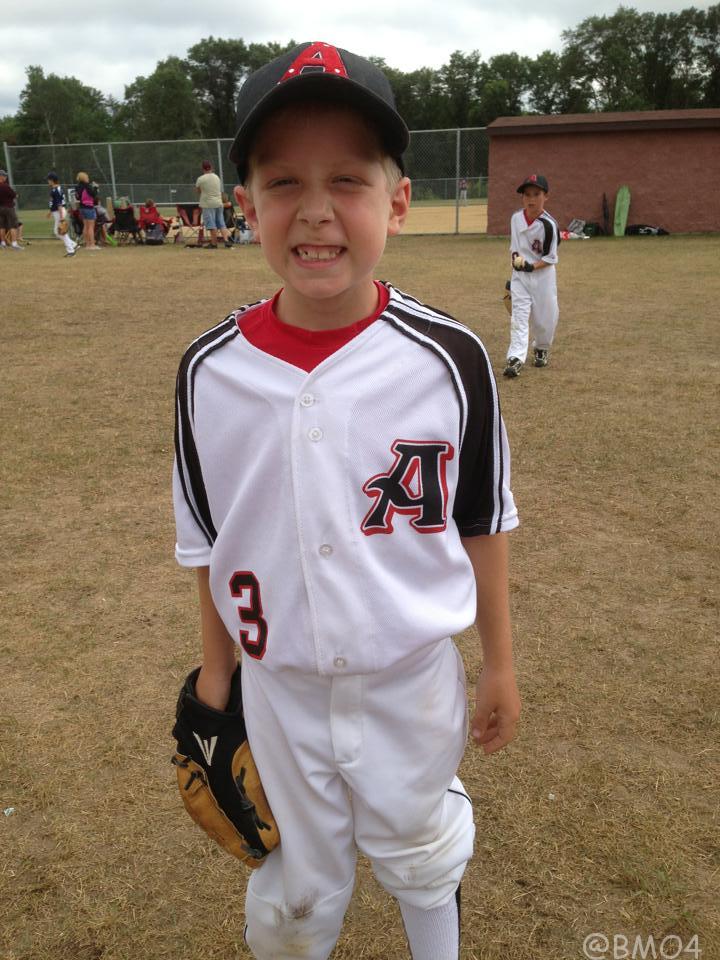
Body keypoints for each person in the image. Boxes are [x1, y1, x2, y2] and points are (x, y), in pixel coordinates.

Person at [172, 41, 521, 960]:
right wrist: (216, 684)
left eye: (350, 181)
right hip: (275, 686)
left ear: (397, 202)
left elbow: (482, 521)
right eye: (283, 182)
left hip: (410, 677)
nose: (317, 211)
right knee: (294, 888)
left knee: (422, 849)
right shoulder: (209, 371)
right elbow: (205, 540)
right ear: (245, 205)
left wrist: (499, 665)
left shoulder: (451, 361)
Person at [503, 174, 560, 377]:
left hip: (543, 277)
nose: (531, 199)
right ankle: (516, 358)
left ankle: (541, 348)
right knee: (519, 317)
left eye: (537, 194)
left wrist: (531, 266)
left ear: (546, 197)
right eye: (527, 195)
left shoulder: (549, 225)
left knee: (545, 320)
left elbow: (551, 258)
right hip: (520, 277)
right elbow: (515, 248)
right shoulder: (516, 219)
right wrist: (516, 260)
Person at [195, 160, 233, 248]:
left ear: (202, 168)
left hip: (208, 204)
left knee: (211, 224)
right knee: (221, 222)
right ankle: (226, 241)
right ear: (211, 168)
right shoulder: (216, 177)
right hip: (219, 203)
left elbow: (198, 191)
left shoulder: (201, 179)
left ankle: (214, 243)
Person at [74, 172, 100, 250]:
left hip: (82, 207)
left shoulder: (77, 187)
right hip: (89, 207)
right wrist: (96, 187)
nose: (88, 179)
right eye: (87, 177)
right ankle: (92, 245)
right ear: (84, 178)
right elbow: (93, 194)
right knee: (91, 227)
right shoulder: (87, 186)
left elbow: (78, 198)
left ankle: (87, 244)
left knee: (85, 226)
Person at [0, 169, 24, 250]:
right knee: (13, 225)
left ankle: (2, 243)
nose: (5, 177)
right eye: (4, 176)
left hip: (0, 208)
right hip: (9, 208)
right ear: (1, 177)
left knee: (2, 226)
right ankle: (14, 244)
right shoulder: (5, 186)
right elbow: (14, 195)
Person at [46, 172, 68, 239]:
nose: (48, 181)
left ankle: (72, 245)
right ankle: (72, 245)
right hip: (58, 211)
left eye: (48, 180)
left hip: (59, 211)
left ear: (52, 180)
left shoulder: (56, 190)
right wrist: (50, 212)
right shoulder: (56, 189)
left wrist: (61, 216)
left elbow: (59, 204)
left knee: (59, 232)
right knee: (59, 232)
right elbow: (54, 202)